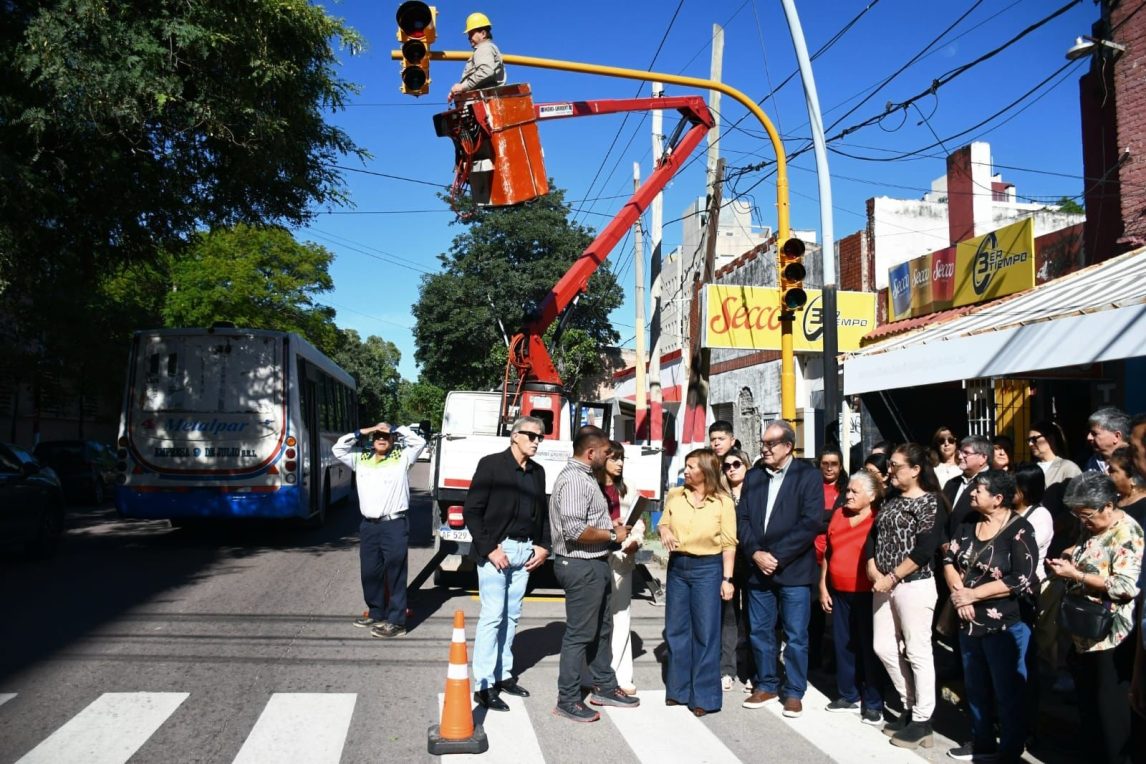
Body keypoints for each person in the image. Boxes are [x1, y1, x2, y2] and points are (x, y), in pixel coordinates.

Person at [1046, 472, 1144, 764]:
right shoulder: (1092, 527)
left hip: (1111, 638)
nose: (1082, 521)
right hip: (1082, 634)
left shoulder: (1128, 533)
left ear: (1108, 506)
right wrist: (1069, 556)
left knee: (1110, 718)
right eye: (1077, 515)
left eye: (1087, 514)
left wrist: (1075, 574)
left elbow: (1126, 587)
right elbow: (1089, 553)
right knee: (1089, 713)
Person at [942, 470, 1039, 763]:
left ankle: (1010, 750)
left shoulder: (1020, 529)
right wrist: (960, 597)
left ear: (998, 499)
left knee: (1007, 689)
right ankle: (981, 740)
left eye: (978, 490)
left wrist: (973, 595)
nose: (972, 493)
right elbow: (949, 559)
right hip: (967, 618)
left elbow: (1021, 578)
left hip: (1004, 624)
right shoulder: (969, 522)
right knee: (975, 686)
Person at [549, 426, 640, 722]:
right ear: (590, 453)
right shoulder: (576, 480)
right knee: (579, 635)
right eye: (605, 452)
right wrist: (613, 536)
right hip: (580, 564)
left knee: (602, 629)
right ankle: (568, 698)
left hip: (594, 562)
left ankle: (604, 685)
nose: (608, 456)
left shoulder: (586, 478)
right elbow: (575, 531)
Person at [463, 415, 551, 711]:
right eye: (532, 436)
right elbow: (472, 511)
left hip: (525, 551)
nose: (537, 441)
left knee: (512, 615)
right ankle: (484, 684)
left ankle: (503, 674)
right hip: (497, 551)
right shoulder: (491, 465)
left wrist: (543, 547)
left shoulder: (538, 472)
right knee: (493, 617)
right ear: (515, 436)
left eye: (541, 437)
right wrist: (490, 549)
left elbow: (543, 512)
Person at [739, 420, 823, 719]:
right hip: (758, 569)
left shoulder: (808, 476)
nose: (764, 448)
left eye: (770, 443)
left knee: (796, 634)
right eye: (763, 443)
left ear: (788, 446)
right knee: (760, 631)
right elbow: (743, 519)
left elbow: (811, 522)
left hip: (794, 570)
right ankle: (767, 683)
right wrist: (756, 553)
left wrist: (776, 555)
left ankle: (794, 691)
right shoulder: (753, 476)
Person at [866, 442, 944, 749]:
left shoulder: (930, 502)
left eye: (897, 466)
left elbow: (925, 549)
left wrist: (894, 576)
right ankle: (909, 703)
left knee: (917, 650)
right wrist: (874, 568)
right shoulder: (892, 499)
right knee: (883, 646)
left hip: (914, 584)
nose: (890, 470)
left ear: (915, 470)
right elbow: (875, 536)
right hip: (883, 584)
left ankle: (923, 719)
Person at [659, 448, 738, 716]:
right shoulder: (675, 495)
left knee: (706, 632)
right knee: (676, 630)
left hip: (708, 568)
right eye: (686, 466)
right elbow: (662, 523)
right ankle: (678, 690)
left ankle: (704, 696)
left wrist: (727, 579)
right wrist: (665, 530)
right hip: (678, 567)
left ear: (706, 470)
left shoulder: (723, 502)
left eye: (692, 466)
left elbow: (729, 544)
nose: (687, 471)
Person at [332, 421, 426, 639]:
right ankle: (376, 612)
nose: (381, 440)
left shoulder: (402, 458)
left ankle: (397, 622)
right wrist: (361, 430)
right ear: (372, 440)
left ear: (392, 440)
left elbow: (419, 441)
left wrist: (395, 428)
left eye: (385, 437)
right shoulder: (361, 458)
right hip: (369, 525)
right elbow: (338, 449)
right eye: (377, 437)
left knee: (395, 572)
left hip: (394, 524)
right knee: (370, 572)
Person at [818, 470, 884, 726]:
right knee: (843, 644)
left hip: (868, 594)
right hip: (840, 591)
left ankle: (874, 702)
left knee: (869, 647)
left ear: (871, 495)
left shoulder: (878, 519)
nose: (848, 495)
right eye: (848, 491)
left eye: (855, 491)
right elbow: (828, 553)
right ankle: (848, 694)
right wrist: (823, 586)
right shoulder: (838, 515)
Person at [1012, 462, 1054, 750]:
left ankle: (1027, 726)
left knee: (1023, 661)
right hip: (1004, 595)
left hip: (1026, 594)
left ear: (1025, 490)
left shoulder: (1040, 516)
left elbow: (1022, 554)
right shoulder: (1010, 513)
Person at [599, 440, 645, 696]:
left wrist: (634, 541)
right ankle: (593, 673)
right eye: (614, 458)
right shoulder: (591, 485)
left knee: (620, 616)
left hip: (622, 559)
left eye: (622, 458)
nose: (619, 463)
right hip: (595, 557)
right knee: (595, 617)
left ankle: (620, 675)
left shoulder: (628, 487)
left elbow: (637, 523)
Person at [709, 420, 741, 690]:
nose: (716, 443)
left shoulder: (744, 465)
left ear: (732, 439)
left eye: (721, 438)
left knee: (749, 616)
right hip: (718, 552)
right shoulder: (709, 467)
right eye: (713, 439)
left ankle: (741, 665)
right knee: (724, 612)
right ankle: (724, 667)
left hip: (746, 553)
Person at [810, 447, 847, 671]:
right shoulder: (812, 487)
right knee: (814, 613)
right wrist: (828, 518)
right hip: (812, 557)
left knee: (836, 614)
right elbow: (809, 519)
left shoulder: (846, 489)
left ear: (841, 466)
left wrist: (821, 519)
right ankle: (814, 659)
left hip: (837, 556)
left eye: (834, 463)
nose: (830, 467)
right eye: (825, 463)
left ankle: (834, 660)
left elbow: (840, 519)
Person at [721, 448, 754, 691]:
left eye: (736, 464)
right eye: (727, 465)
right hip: (727, 564)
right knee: (728, 618)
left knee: (754, 619)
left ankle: (752, 670)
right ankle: (727, 669)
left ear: (746, 465)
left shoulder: (756, 493)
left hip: (753, 562)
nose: (731, 468)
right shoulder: (720, 495)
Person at [943, 435, 992, 542]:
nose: (960, 456)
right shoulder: (951, 483)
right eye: (960, 452)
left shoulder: (992, 484)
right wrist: (943, 542)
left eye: (966, 453)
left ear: (983, 458)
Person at [448, 12, 505, 100]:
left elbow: (486, 71)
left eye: (471, 34)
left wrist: (462, 87)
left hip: (485, 101)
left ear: (483, 34)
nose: (469, 38)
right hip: (486, 99)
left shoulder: (484, 47)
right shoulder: (487, 48)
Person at [1028, 419, 1081, 488]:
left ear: (1050, 439)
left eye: (1034, 439)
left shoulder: (1069, 468)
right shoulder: (1029, 469)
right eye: (1029, 440)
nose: (1030, 444)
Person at [1085, 406, 1132, 474]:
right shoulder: (1090, 463)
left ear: (1116, 436)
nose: (1089, 437)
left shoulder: (1134, 463)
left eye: (1094, 433)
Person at [1108, 446, 1146, 526]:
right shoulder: (1113, 501)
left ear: (1132, 477)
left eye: (1112, 470)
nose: (1107, 474)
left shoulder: (1143, 508)